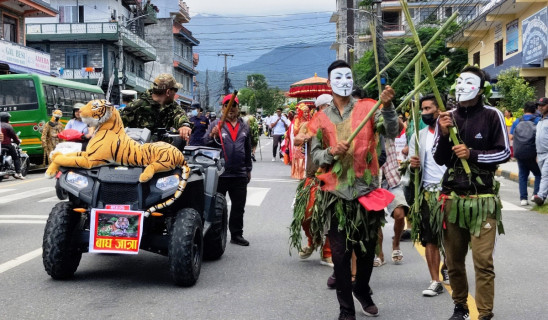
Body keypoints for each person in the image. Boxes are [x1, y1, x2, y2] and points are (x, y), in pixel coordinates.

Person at [308, 60, 399, 320]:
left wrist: (389, 105)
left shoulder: (370, 108)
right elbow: (314, 156)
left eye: (348, 76)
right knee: (340, 256)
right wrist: (330, 152)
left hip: (366, 192)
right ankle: (346, 310)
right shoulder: (321, 118)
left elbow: (391, 131)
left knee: (367, 252)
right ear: (329, 83)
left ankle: (362, 289)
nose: (344, 81)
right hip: (336, 195)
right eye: (338, 77)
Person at [433, 66, 510, 320]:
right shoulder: (446, 117)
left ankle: (485, 312)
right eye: (460, 81)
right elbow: (440, 158)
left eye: (470, 81)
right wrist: (444, 135)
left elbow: (505, 152)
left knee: (483, 261)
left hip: (482, 199)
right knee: (454, 261)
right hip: (452, 198)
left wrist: (472, 153)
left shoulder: (492, 115)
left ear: (480, 88)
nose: (463, 86)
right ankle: (460, 306)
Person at [408, 94, 449, 297]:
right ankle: (435, 280)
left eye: (428, 109)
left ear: (439, 109)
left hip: (450, 193)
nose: (425, 113)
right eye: (422, 109)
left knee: (451, 238)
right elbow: (410, 165)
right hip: (427, 193)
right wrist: (412, 165)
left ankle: (448, 266)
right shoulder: (419, 135)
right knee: (430, 239)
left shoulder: (453, 131)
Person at [290, 96, 334, 268]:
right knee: (305, 215)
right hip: (313, 177)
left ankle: (327, 253)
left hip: (333, 177)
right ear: (319, 108)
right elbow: (297, 140)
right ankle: (312, 240)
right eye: (325, 107)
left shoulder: (338, 125)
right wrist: (307, 136)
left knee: (331, 217)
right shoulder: (308, 125)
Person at [204, 94, 252, 246]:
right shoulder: (215, 124)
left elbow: (247, 148)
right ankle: (216, 234)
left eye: (233, 106)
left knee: (239, 207)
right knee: (217, 207)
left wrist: (248, 169)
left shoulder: (244, 126)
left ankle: (236, 234)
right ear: (222, 108)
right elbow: (204, 142)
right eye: (227, 106)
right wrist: (212, 135)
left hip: (239, 174)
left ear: (238, 109)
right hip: (220, 173)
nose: (230, 109)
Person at [121, 73, 192, 143]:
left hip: (163, 151)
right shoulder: (136, 106)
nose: (175, 94)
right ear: (168, 92)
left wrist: (184, 125)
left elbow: (180, 115)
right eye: (175, 90)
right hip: (139, 151)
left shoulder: (172, 106)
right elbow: (117, 125)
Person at [510, 101, 541, 205]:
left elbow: (511, 137)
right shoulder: (538, 120)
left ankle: (523, 199)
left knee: (523, 175)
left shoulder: (517, 121)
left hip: (519, 152)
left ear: (524, 110)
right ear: (535, 110)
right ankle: (535, 194)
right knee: (538, 173)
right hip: (533, 152)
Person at [532, 97, 548, 206]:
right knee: (545, 175)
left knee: (545, 176)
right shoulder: (540, 121)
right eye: (539, 105)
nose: (540, 107)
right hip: (540, 154)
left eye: (543, 105)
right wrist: (537, 154)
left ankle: (541, 196)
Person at [0, 112, 24, 179]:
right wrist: (17, 141)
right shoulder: (7, 126)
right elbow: (13, 136)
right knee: (16, 157)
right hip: (6, 144)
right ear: (6, 118)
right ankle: (18, 173)